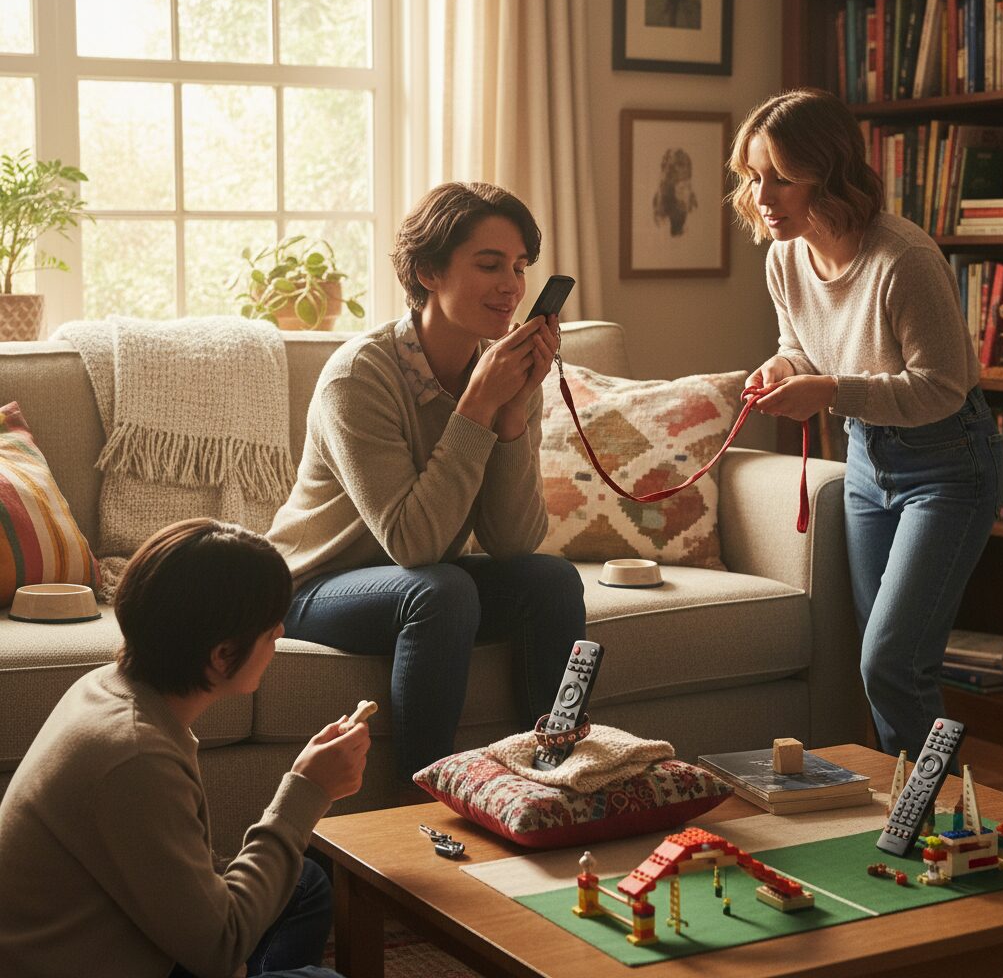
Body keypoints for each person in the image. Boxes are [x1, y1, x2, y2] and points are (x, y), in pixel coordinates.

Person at [267, 181, 586, 791]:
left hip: (417, 582)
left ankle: (557, 778)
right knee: (441, 589)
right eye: (489, 264)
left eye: (519, 268)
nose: (512, 286)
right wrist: (476, 410)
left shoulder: (502, 370)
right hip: (313, 585)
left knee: (551, 578)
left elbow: (514, 539)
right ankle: (426, 798)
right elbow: (415, 545)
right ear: (427, 271)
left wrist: (512, 417)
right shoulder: (359, 376)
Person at [729, 88, 1002, 762]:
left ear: (831, 172)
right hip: (865, 462)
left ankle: (929, 823)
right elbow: (804, 345)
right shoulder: (784, 258)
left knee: (891, 661)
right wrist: (783, 367)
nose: (762, 195)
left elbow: (939, 389)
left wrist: (828, 391)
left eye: (782, 178)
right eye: (754, 175)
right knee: (884, 663)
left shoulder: (902, 259)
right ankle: (904, 809)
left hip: (947, 465)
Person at [0, 518, 370, 978]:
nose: (279, 635)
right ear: (222, 656)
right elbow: (218, 948)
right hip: (87, 961)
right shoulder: (135, 756)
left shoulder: (107, 688)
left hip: (121, 932)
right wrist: (305, 792)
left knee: (305, 882)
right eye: (271, 628)